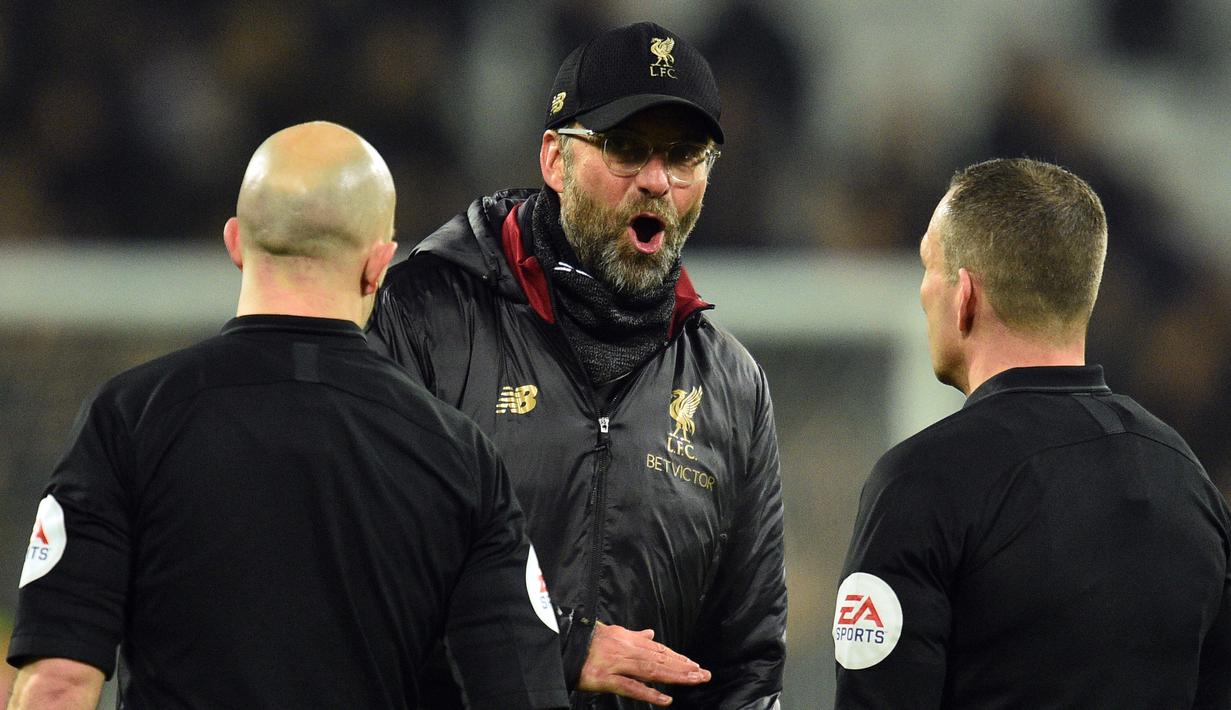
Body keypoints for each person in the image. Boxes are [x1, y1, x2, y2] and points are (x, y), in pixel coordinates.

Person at [6, 121, 569, 710]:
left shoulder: (127, 418)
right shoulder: (461, 457)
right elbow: (520, 694)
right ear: (379, 264)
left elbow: (59, 685)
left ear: (234, 242)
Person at [368, 21, 787, 710]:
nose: (656, 180)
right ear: (554, 160)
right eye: (625, 148)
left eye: (684, 155)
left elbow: (746, 669)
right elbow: (367, 585)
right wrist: (557, 647)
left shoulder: (730, 388)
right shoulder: (423, 320)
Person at [832, 157, 1231, 707]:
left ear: (964, 295)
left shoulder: (923, 482)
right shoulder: (1187, 481)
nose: (923, 293)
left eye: (928, 267)